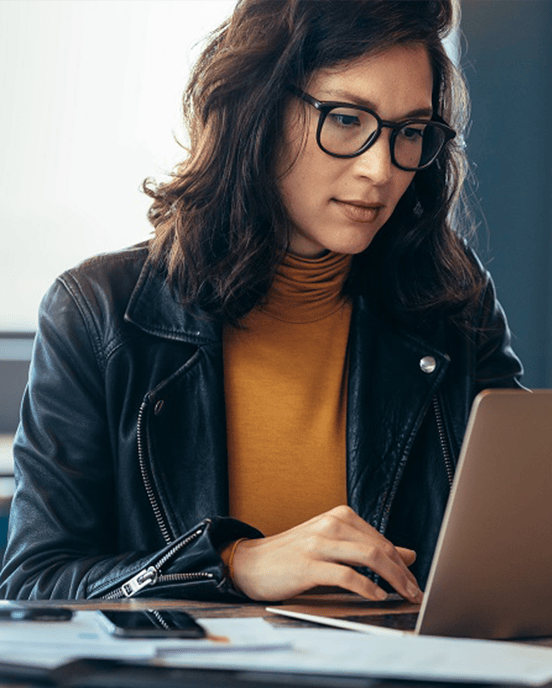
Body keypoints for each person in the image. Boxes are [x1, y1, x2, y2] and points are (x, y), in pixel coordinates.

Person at [0, 0, 522, 603]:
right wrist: (233, 563)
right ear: (260, 109)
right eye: (348, 119)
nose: (381, 170)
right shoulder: (96, 312)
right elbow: (34, 586)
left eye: (409, 132)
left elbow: (514, 546)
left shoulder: (453, 303)